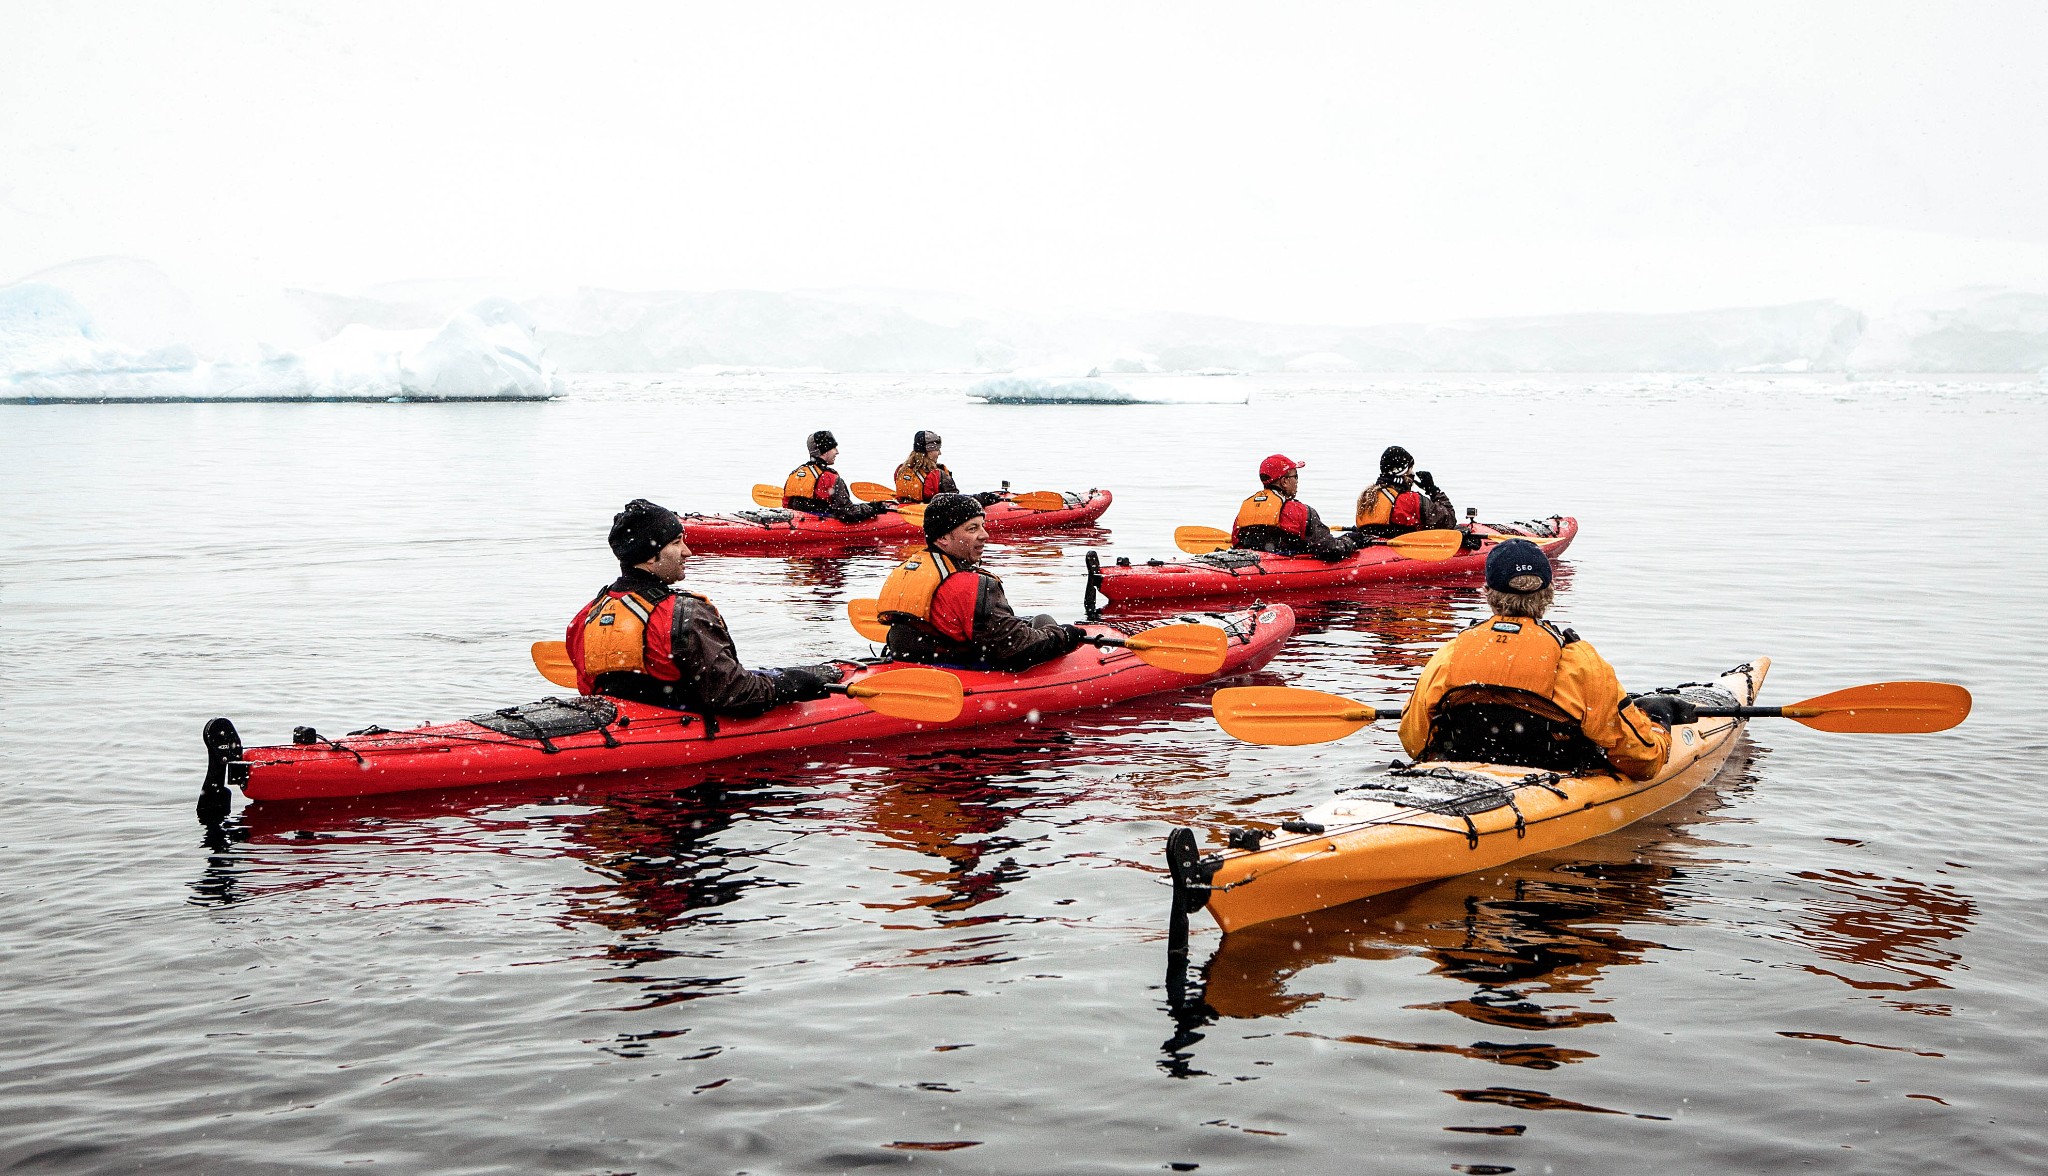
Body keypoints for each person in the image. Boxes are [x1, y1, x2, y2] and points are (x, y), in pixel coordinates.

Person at [1397, 539, 1694, 779]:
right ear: (1548, 594)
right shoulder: (1579, 661)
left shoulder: (1450, 655)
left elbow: (1414, 741)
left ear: (1488, 593)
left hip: (1459, 776)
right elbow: (1642, 761)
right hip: (1551, 780)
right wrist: (1657, 723)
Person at [566, 499, 844, 714]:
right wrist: (792, 684)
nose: (688, 552)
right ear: (651, 557)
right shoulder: (686, 614)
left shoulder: (586, 616)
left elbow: (589, 689)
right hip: (686, 726)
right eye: (677, 543)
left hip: (631, 722)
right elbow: (735, 695)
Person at [876, 493, 1090, 671]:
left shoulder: (909, 569)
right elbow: (1017, 649)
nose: (985, 535)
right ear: (943, 538)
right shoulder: (972, 586)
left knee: (1031, 622)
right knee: (1043, 620)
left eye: (983, 526)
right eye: (972, 529)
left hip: (917, 664)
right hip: (962, 672)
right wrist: (1066, 635)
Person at [1230, 455, 1359, 560]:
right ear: (1284, 481)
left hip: (1255, 569)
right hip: (1286, 571)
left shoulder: (1244, 512)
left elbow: (1237, 545)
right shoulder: (1300, 512)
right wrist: (1350, 539)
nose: (1297, 481)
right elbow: (1331, 550)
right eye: (1295, 476)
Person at [784, 431, 891, 524]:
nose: (837, 452)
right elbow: (847, 513)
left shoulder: (795, 474)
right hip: (824, 525)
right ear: (824, 451)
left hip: (799, 523)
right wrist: (875, 508)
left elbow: (786, 504)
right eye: (833, 448)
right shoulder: (830, 478)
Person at [1355, 445, 1457, 536]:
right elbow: (1449, 520)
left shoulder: (1368, 496)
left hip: (1372, 547)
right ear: (1402, 471)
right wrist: (1432, 490)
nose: (1412, 473)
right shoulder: (1411, 500)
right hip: (1401, 551)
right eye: (1410, 468)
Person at [894, 430, 1005, 506]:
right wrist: (982, 498)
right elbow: (955, 501)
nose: (940, 453)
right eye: (937, 449)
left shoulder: (901, 471)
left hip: (906, 510)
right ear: (929, 450)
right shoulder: (939, 475)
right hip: (932, 514)